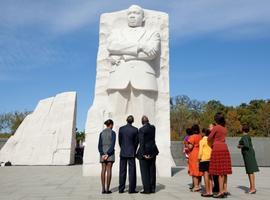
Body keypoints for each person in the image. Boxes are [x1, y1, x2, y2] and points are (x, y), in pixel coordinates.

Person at [106, 5, 161, 124]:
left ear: (143, 18)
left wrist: (124, 55)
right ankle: (115, 142)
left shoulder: (152, 33)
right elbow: (112, 47)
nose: (132, 15)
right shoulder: (116, 32)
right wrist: (140, 46)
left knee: (146, 117)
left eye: (136, 13)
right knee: (114, 116)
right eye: (129, 13)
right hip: (118, 76)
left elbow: (152, 54)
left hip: (144, 77)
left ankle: (145, 143)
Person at [208, 113, 232, 198]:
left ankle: (220, 192)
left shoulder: (216, 128)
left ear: (216, 119)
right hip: (225, 148)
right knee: (224, 171)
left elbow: (209, 138)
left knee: (219, 172)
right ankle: (225, 190)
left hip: (217, 149)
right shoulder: (224, 128)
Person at [136, 115, 159, 194]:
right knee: (152, 170)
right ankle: (152, 188)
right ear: (148, 121)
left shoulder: (141, 129)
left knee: (144, 172)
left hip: (145, 151)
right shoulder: (153, 127)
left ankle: (147, 189)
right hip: (153, 150)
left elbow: (141, 142)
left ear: (142, 122)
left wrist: (144, 153)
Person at [118, 115, 139, 193]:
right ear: (132, 121)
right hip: (131, 152)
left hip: (123, 152)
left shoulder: (121, 129)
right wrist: (134, 149)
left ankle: (121, 189)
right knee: (132, 171)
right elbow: (137, 142)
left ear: (126, 120)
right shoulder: (135, 130)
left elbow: (119, 141)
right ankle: (131, 189)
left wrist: (122, 147)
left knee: (122, 171)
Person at [238, 125, 259, 194]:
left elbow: (246, 145)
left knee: (250, 171)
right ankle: (252, 187)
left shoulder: (244, 137)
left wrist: (239, 146)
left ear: (243, 130)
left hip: (248, 155)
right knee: (250, 171)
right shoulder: (247, 136)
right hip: (249, 154)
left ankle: (252, 188)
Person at [98, 119, 116, 194]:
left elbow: (99, 145)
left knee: (103, 170)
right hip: (110, 153)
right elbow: (113, 144)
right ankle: (107, 189)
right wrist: (108, 154)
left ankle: (103, 189)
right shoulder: (113, 133)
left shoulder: (101, 133)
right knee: (109, 170)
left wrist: (102, 154)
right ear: (111, 124)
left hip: (102, 153)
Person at [187, 124, 203, 192]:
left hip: (194, 154)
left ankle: (196, 186)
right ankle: (199, 185)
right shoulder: (200, 137)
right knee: (199, 170)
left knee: (194, 171)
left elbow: (190, 147)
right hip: (200, 154)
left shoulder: (192, 137)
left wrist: (186, 145)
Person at [198, 128, 213, 197]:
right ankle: (211, 191)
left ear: (204, 133)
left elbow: (200, 151)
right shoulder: (211, 140)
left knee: (206, 176)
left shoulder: (202, 141)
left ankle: (207, 191)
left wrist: (198, 159)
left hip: (204, 159)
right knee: (210, 176)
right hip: (210, 159)